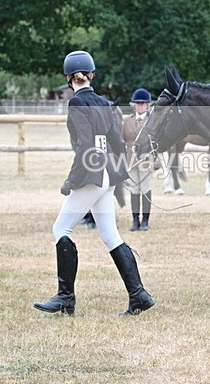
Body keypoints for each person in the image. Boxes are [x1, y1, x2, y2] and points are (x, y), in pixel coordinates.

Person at [33, 50, 155, 316]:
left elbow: (85, 146)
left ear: (68, 78)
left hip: (92, 175)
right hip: (107, 176)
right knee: (110, 234)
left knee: (61, 228)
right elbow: (117, 142)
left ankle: (66, 297)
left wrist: (71, 181)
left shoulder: (77, 104)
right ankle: (139, 295)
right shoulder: (102, 101)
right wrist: (118, 172)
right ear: (91, 75)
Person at [122, 88, 156, 231]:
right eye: (138, 103)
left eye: (143, 103)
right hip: (131, 160)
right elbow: (122, 140)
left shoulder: (152, 121)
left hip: (146, 159)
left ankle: (145, 220)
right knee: (134, 190)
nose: (140, 105)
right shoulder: (127, 121)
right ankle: (135, 220)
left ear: (147, 105)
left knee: (145, 189)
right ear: (134, 104)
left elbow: (156, 141)